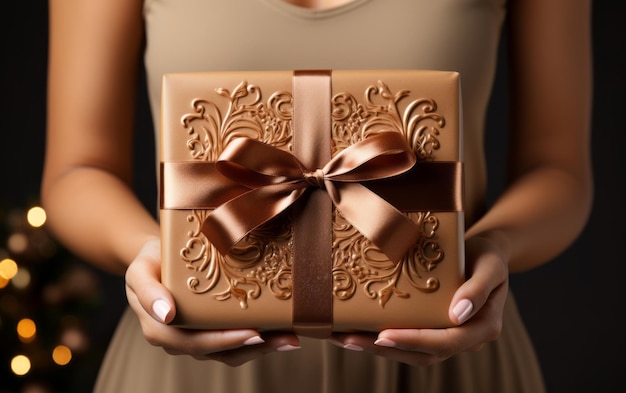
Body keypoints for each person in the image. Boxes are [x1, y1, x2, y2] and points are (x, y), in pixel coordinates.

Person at [41, 0, 592, 392]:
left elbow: (558, 169)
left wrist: (493, 247)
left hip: (450, 353)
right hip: (186, 359)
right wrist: (154, 259)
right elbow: (77, 170)